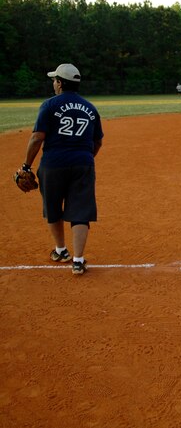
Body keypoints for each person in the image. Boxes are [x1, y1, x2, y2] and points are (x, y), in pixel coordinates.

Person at [20, 63, 103, 275]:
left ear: (60, 83)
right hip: (83, 163)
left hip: (53, 164)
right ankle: (78, 260)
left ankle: (61, 251)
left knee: (53, 206)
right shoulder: (91, 109)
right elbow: (97, 141)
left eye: (54, 80)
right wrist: (84, 158)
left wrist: (26, 166)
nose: (53, 84)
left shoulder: (49, 105)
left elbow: (37, 137)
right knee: (81, 211)